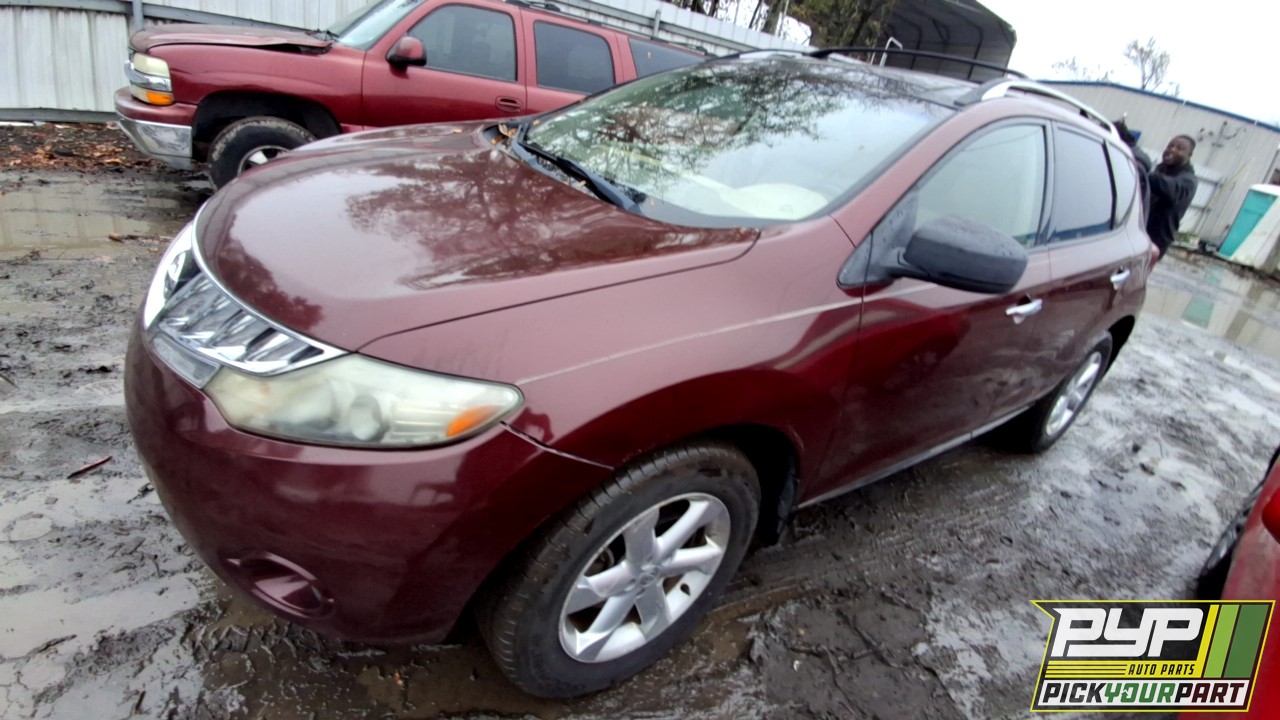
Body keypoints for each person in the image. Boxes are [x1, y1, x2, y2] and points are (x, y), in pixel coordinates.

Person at [1115, 121, 1198, 259]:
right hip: (1135, 234)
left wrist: (1141, 167)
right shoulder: (1161, 170)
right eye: (1170, 146)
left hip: (1153, 242)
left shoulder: (1188, 181)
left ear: (1189, 155)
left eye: (1180, 148)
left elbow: (1168, 189)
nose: (1172, 150)